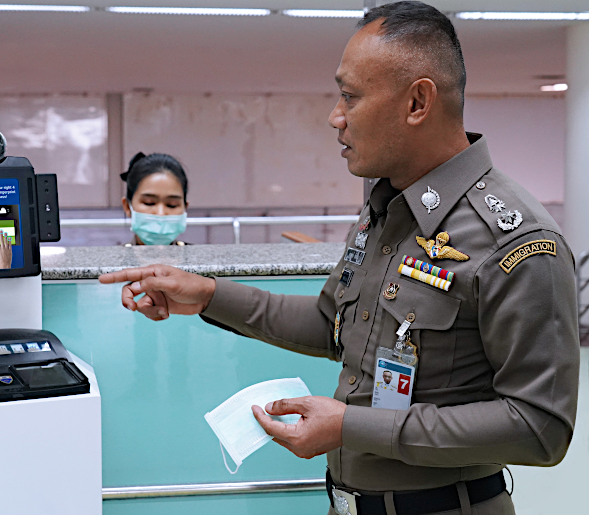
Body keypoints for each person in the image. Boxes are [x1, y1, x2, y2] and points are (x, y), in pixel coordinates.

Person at [99, 3, 580, 515]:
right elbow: (330, 323)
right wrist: (208, 295)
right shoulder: (386, 210)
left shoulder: (515, 241)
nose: (336, 116)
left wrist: (350, 426)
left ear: (417, 102)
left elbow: (539, 427)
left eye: (350, 96)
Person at [120, 152, 190, 246]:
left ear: (185, 208)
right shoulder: (112, 260)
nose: (160, 214)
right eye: (149, 203)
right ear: (127, 206)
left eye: (172, 205)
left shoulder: (202, 259)